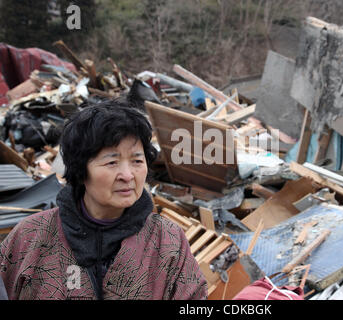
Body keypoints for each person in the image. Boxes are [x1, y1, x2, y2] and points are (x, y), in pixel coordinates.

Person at [0, 100, 208, 300]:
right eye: (111, 162)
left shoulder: (167, 240)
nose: (127, 175)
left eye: (136, 160)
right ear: (81, 171)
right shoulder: (30, 237)